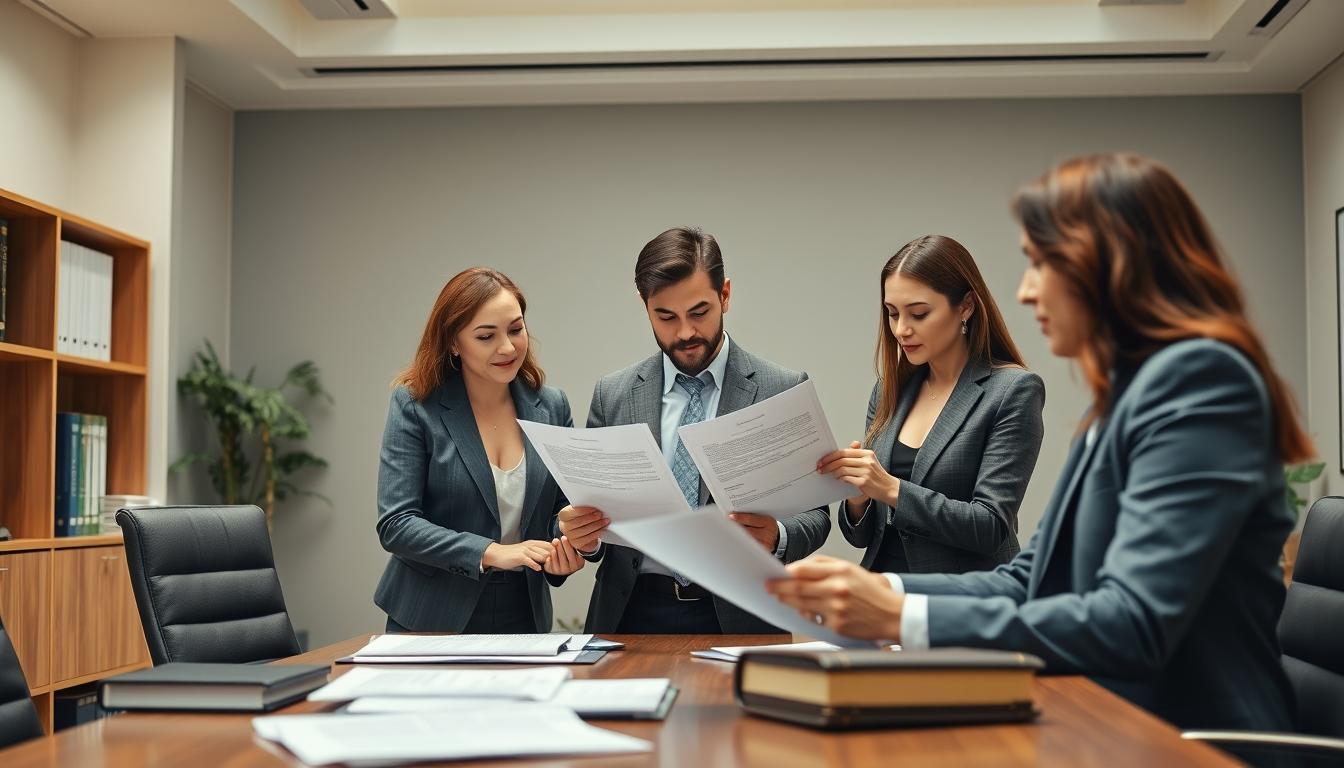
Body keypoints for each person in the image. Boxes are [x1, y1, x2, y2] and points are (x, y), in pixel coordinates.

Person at [770, 153, 1307, 732]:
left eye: (1040, 263)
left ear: (1108, 266)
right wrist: (879, 591)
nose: (1025, 292)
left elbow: (1134, 623)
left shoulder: (1200, 385)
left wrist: (902, 617)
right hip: (1114, 722)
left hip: (1196, 741)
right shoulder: (1121, 400)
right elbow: (1029, 580)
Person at [560, 227, 831, 634]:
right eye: (666, 317)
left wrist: (778, 535)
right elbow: (592, 514)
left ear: (725, 295)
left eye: (699, 312)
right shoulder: (612, 394)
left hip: (742, 615)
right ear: (644, 306)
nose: (685, 332)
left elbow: (817, 516)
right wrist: (586, 536)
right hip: (630, 613)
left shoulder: (781, 388)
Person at [374, 267, 584, 633]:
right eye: (486, 336)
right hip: (432, 614)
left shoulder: (552, 407)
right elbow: (397, 524)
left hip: (523, 613)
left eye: (516, 330)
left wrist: (567, 542)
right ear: (454, 343)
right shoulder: (415, 405)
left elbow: (559, 510)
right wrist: (490, 551)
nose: (508, 347)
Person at [824, 234, 1044, 575]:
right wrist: (858, 498)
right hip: (884, 592)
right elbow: (862, 536)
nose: (901, 329)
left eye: (919, 313)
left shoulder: (1013, 391)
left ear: (966, 306)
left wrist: (891, 488)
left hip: (963, 597)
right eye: (892, 314)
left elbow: (990, 526)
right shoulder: (889, 391)